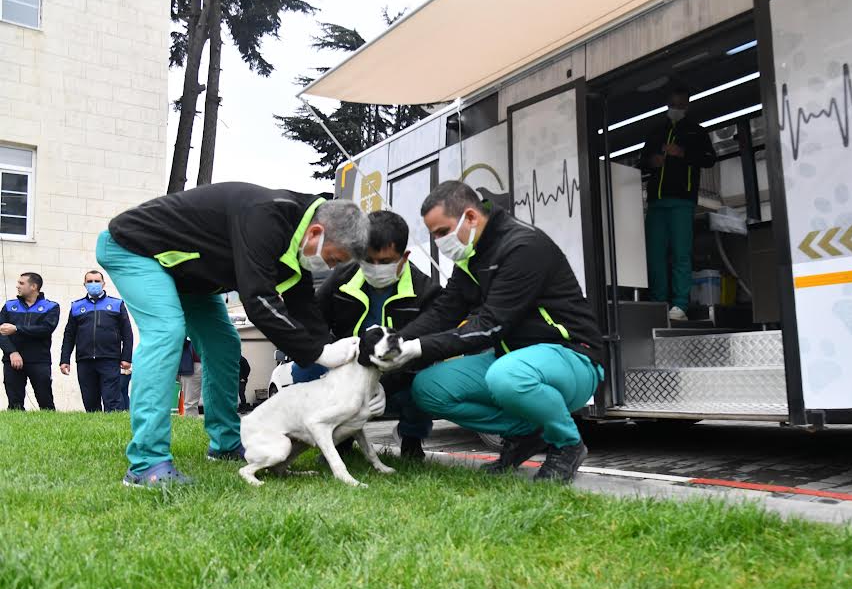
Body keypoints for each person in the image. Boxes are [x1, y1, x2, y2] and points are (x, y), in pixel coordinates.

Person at [97, 182, 369, 487]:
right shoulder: (265, 217)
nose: (330, 267)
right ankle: (146, 463)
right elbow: (259, 300)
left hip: (190, 276)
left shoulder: (293, 247)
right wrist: (317, 353)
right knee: (166, 331)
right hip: (134, 248)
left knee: (225, 344)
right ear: (317, 233)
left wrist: (333, 355)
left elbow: (304, 309)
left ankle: (226, 443)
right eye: (333, 258)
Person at [372, 181, 604, 483]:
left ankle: (566, 444)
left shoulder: (523, 247)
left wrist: (417, 349)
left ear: (470, 217)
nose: (440, 241)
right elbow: (445, 311)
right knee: (427, 390)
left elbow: (490, 326)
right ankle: (524, 433)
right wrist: (398, 341)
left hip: (573, 356)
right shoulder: (471, 254)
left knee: (506, 376)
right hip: (511, 358)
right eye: (434, 235)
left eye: (442, 232)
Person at [312, 210, 441, 459]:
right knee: (304, 369)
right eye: (368, 260)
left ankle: (412, 438)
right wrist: (333, 354)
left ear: (404, 258)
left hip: (400, 374)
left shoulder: (425, 291)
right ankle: (341, 438)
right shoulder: (340, 278)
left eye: (385, 261)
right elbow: (313, 321)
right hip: (346, 369)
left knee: (425, 379)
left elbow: (427, 348)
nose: (375, 268)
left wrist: (380, 381)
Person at [638, 85, 716, 321]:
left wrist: (682, 154)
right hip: (656, 201)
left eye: (681, 105)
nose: (676, 109)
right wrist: (652, 161)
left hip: (682, 199)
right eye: (673, 104)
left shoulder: (696, 132)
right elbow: (641, 162)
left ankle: (680, 305)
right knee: (655, 254)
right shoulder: (656, 131)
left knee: (682, 253)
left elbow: (709, 159)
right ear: (667, 103)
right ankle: (658, 302)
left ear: (687, 105)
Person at [59, 270, 133, 413]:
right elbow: (69, 335)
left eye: (97, 281)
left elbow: (127, 333)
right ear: (85, 284)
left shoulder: (117, 304)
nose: (93, 284)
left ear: (103, 283)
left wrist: (126, 357)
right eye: (90, 281)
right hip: (84, 360)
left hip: (110, 359)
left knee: (112, 400)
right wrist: (64, 359)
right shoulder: (76, 306)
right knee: (90, 400)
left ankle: (113, 430)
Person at [0, 272, 59, 411]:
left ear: (33, 286)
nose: (17, 286)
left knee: (45, 402)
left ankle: (51, 431)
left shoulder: (51, 307)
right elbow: (1, 332)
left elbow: (45, 329)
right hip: (12, 361)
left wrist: (16, 328)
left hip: (39, 360)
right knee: (14, 404)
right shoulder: (9, 306)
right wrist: (12, 352)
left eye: (21, 283)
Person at [177, 338, 203, 417]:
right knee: (190, 404)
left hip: (194, 364)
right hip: (190, 364)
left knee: (190, 404)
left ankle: (192, 427)